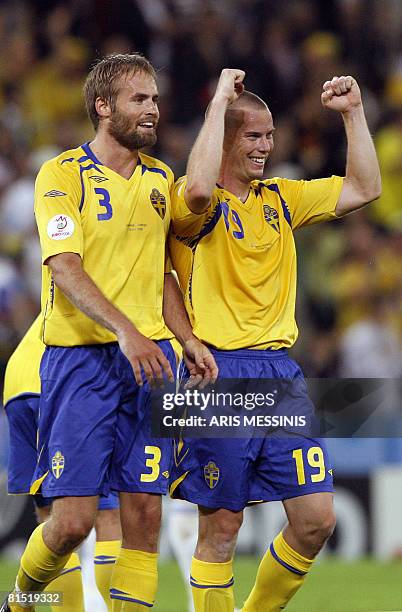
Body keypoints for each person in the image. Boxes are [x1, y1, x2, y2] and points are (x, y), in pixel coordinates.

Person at [1, 53, 217, 612]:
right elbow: (64, 266)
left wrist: (187, 337)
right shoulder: (61, 173)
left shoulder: (159, 180)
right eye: (138, 99)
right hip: (81, 364)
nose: (152, 110)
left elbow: (162, 274)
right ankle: (21, 598)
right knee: (72, 523)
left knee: (144, 516)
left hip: (151, 368)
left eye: (154, 99)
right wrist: (125, 330)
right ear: (103, 107)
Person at [169, 69, 381, 611]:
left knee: (316, 520)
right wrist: (217, 101)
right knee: (222, 527)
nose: (265, 147)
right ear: (224, 138)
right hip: (216, 374)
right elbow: (196, 187)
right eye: (253, 136)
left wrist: (353, 114)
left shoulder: (282, 200)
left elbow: (365, 187)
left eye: (269, 135)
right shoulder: (197, 205)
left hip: (279, 376)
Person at [3, 315, 121, 612]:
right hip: (71, 378)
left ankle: (19, 603)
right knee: (109, 515)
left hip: (21, 378)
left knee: (53, 520)